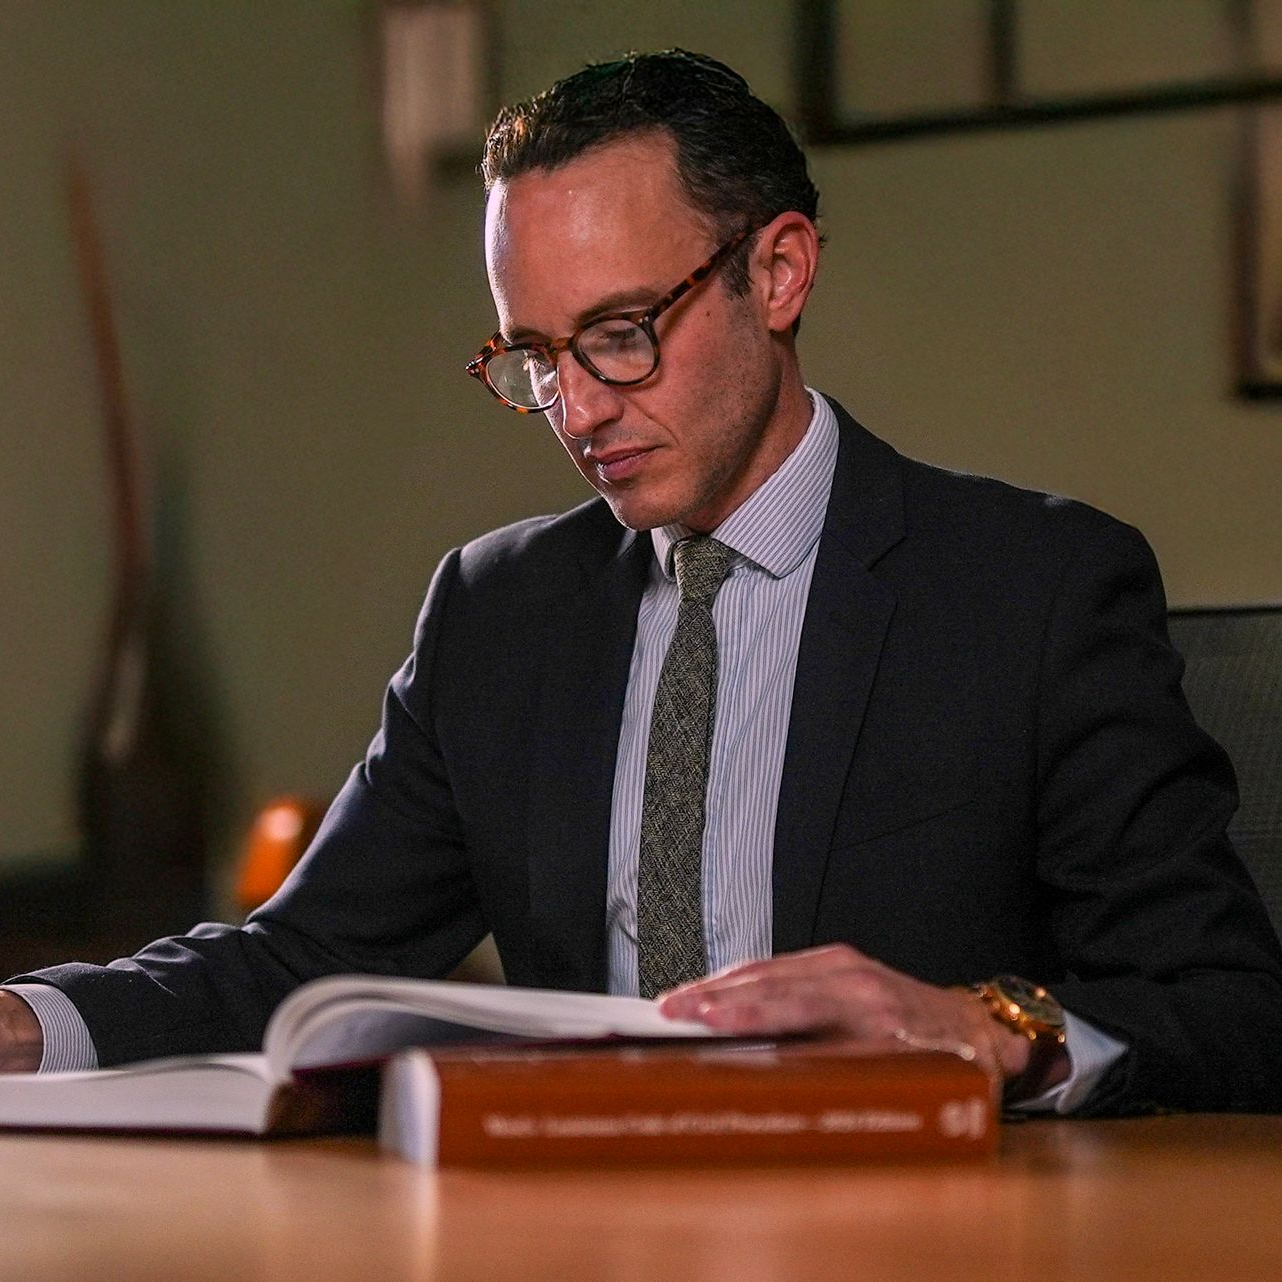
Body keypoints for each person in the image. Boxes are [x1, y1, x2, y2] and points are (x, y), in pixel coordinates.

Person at [3, 50, 1281, 1114]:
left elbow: (1225, 1012)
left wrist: (985, 1025)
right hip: (569, 1221)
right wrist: (28, 1024)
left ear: (777, 272)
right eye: (534, 356)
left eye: (621, 334)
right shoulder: (497, 612)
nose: (578, 408)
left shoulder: (1033, 589)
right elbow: (306, 955)